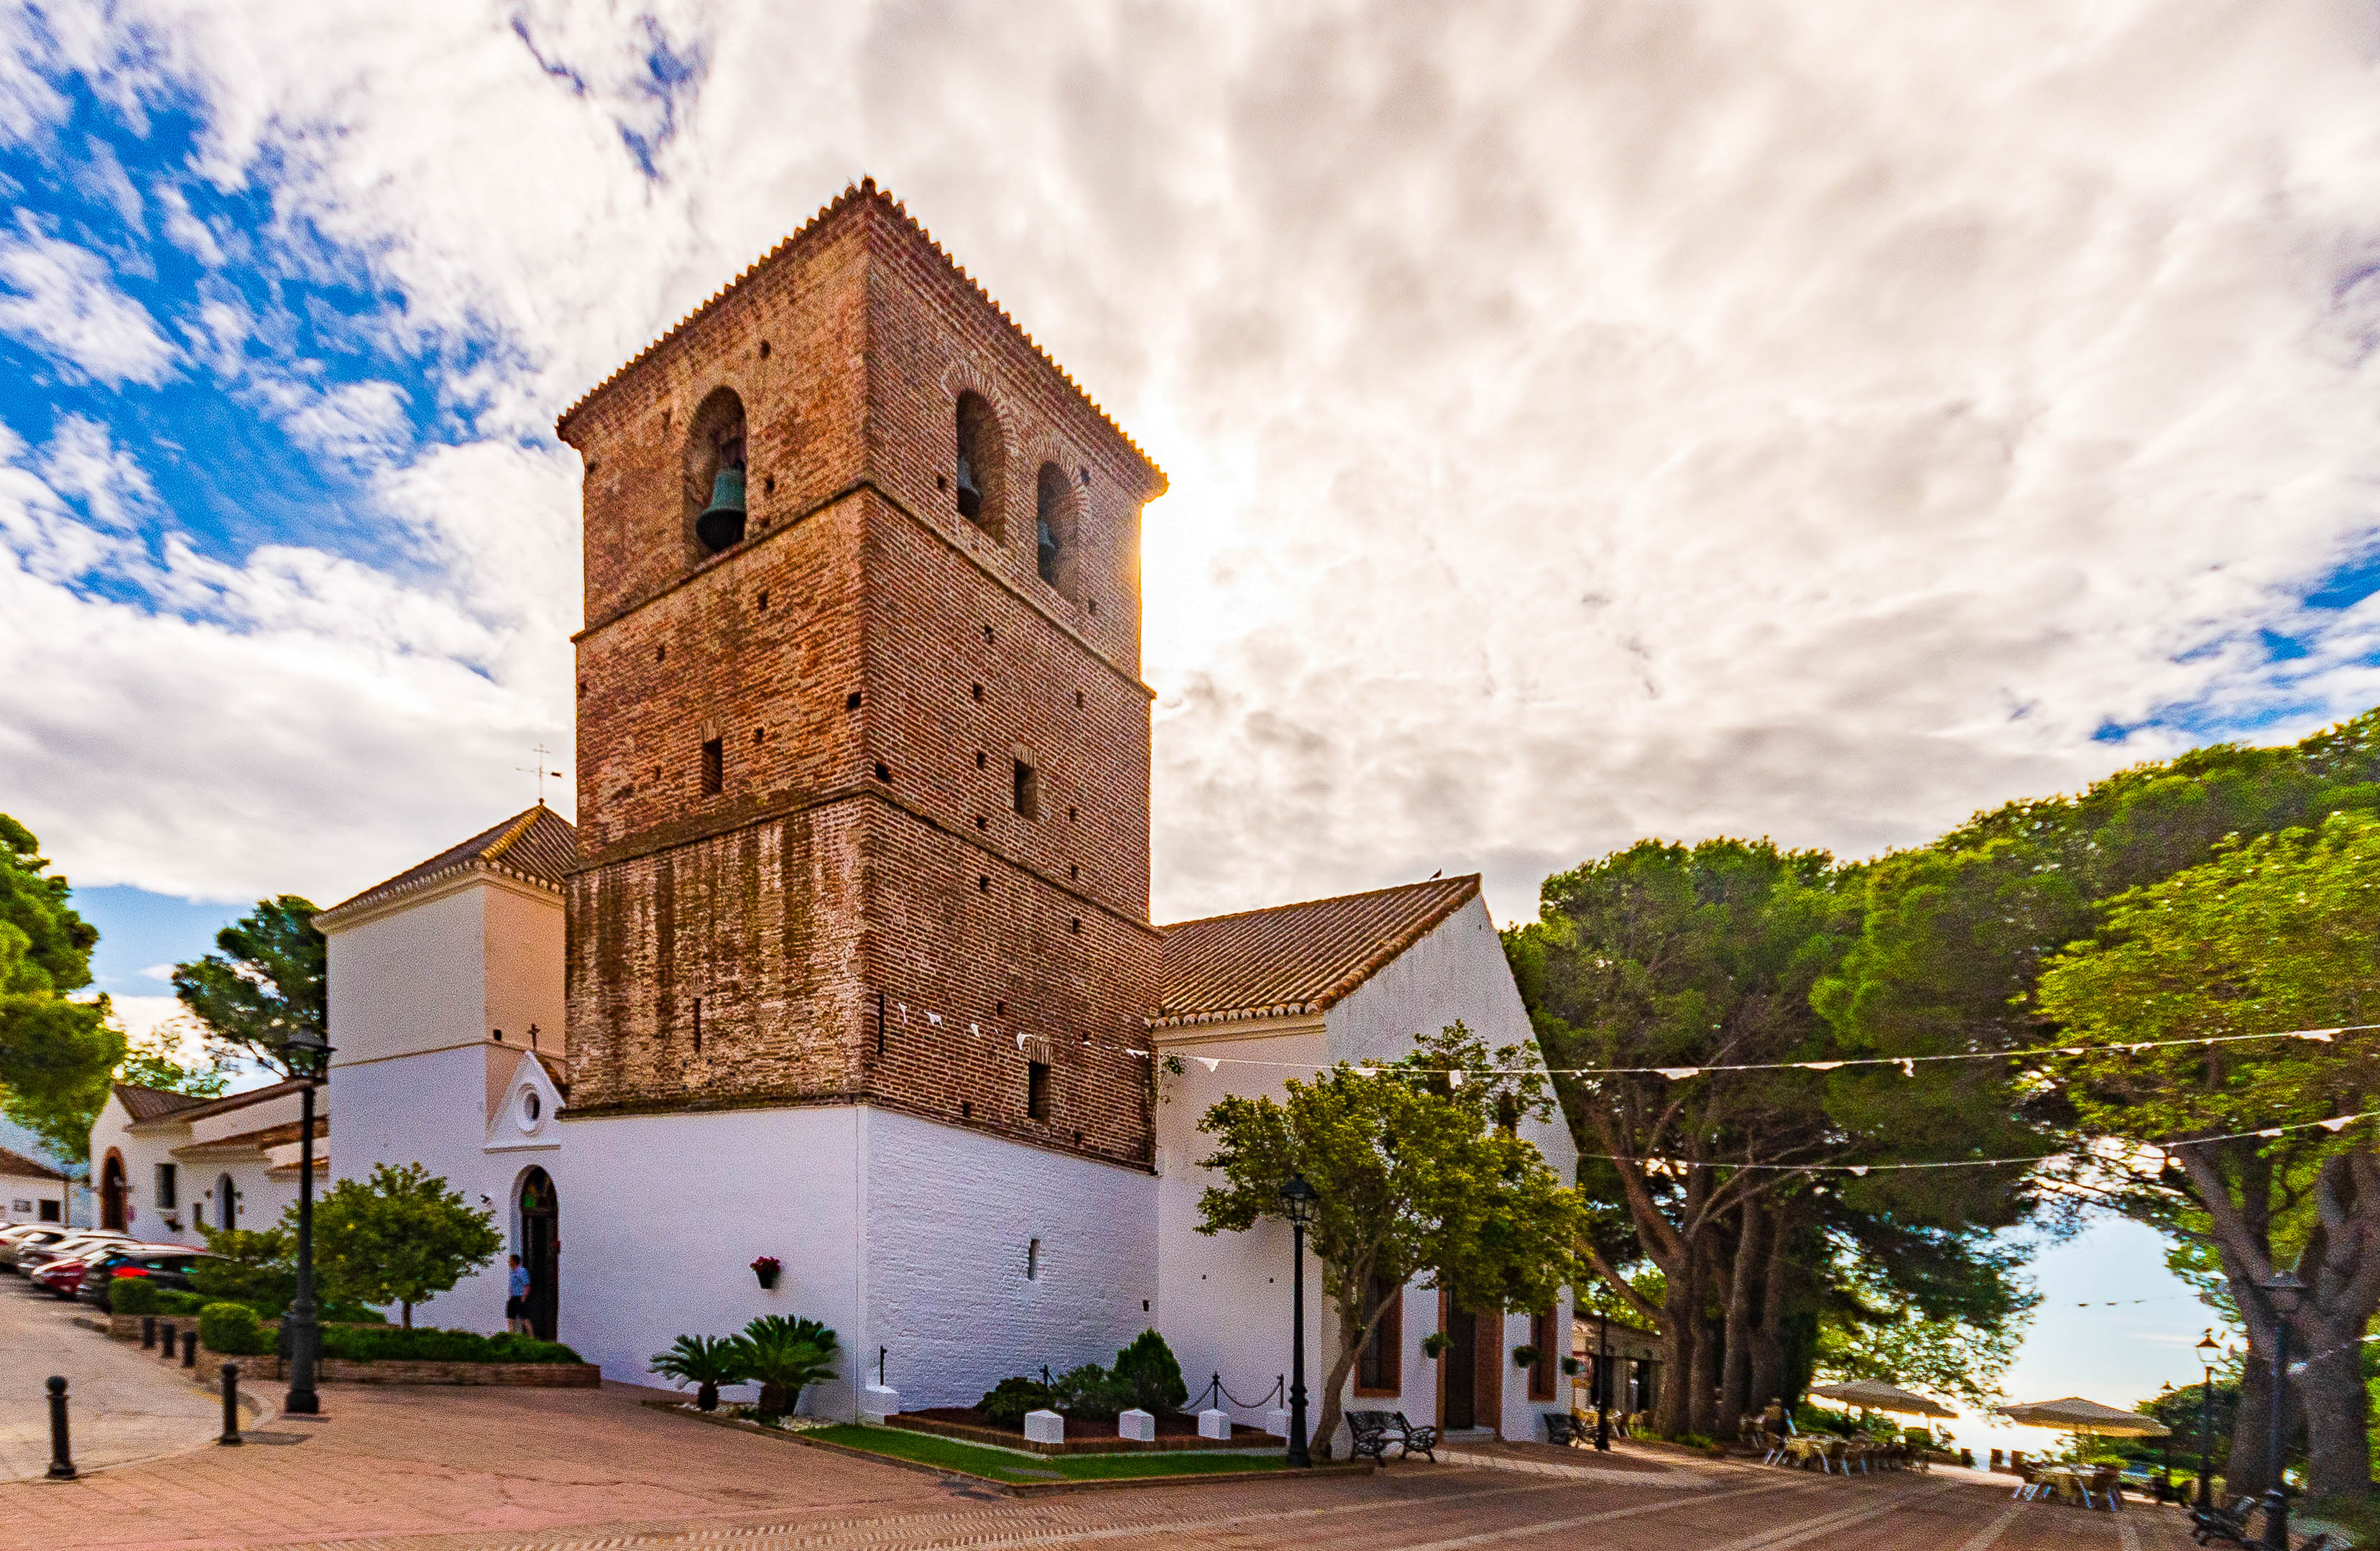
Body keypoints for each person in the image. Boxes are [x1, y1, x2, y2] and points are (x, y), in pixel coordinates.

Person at [505, 1254, 531, 1334]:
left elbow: (527, 1285)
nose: (509, 1262)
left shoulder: (521, 1271)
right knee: (510, 1318)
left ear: (514, 1261)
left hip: (519, 1297)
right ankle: (511, 1336)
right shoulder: (513, 1272)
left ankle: (532, 1337)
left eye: (510, 1260)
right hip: (513, 1297)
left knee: (524, 1318)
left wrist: (524, 1297)